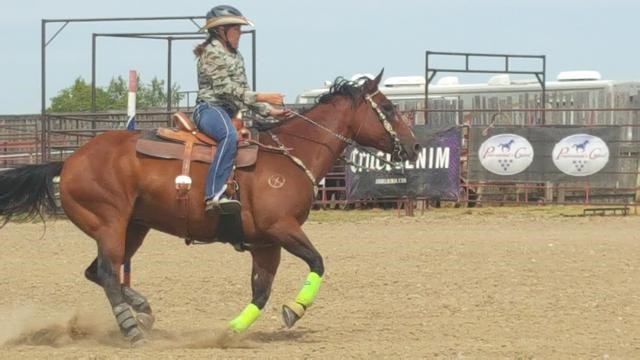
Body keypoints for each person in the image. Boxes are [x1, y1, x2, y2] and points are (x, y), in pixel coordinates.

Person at [193, 5, 288, 215]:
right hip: (209, 108)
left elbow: (241, 92)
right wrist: (263, 96)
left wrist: (269, 111)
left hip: (228, 111)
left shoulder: (236, 56)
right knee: (228, 135)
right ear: (221, 31)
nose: (240, 33)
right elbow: (225, 89)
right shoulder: (211, 53)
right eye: (236, 28)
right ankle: (214, 194)